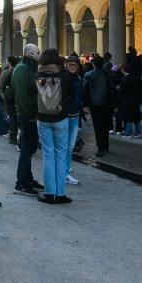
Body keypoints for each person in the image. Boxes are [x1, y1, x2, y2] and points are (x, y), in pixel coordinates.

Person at [34, 48, 73, 204]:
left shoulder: (37, 75)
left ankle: (49, 193)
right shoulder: (65, 75)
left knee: (48, 155)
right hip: (60, 118)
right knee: (61, 155)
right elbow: (71, 94)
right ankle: (61, 193)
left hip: (43, 119)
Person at [11, 44, 43, 196]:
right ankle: (22, 183)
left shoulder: (28, 68)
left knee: (29, 149)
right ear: (30, 54)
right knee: (26, 149)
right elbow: (23, 96)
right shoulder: (22, 69)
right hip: (27, 116)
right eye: (37, 52)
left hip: (30, 115)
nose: (39, 54)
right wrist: (31, 116)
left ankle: (28, 179)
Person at [83, 54, 115, 157]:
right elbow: (112, 90)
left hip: (94, 105)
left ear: (93, 64)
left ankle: (100, 148)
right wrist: (113, 103)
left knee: (98, 128)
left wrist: (86, 104)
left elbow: (85, 91)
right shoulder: (107, 75)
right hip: (107, 104)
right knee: (105, 126)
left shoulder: (89, 74)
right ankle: (105, 147)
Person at [63, 54, 84, 185]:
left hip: (74, 115)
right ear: (66, 65)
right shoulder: (64, 78)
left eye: (75, 65)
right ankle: (64, 172)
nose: (72, 67)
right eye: (70, 64)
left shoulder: (77, 77)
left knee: (70, 145)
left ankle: (66, 167)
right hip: (66, 116)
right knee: (65, 145)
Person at [0, 56, 20, 145]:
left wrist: (4, 99)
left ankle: (12, 135)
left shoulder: (6, 72)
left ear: (9, 62)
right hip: (18, 99)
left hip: (9, 99)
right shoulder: (19, 71)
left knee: (12, 118)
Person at [118, 60, 142, 138]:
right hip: (136, 99)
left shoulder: (125, 79)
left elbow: (122, 90)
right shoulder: (137, 78)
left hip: (127, 100)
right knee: (136, 116)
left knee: (128, 116)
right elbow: (141, 88)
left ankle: (128, 133)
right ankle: (138, 132)